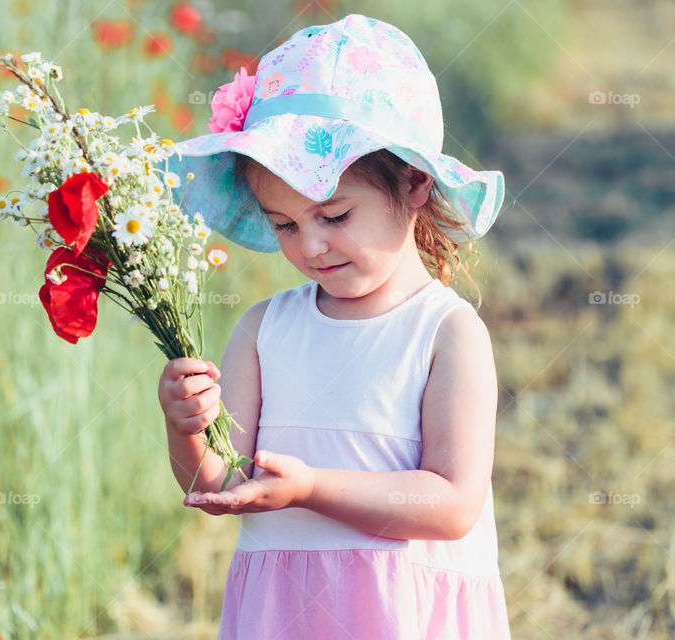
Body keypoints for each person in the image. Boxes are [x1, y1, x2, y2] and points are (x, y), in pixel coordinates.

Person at [157, 13, 511, 639]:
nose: (312, 246)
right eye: (286, 225)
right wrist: (186, 428)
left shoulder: (445, 333)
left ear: (415, 181)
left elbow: (454, 505)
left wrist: (312, 488)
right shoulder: (264, 329)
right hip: (283, 609)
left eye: (335, 214)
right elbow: (221, 483)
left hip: (400, 611)